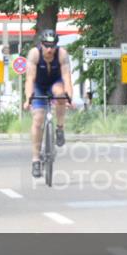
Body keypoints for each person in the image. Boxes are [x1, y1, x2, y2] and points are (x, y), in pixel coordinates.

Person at [23, 29, 75, 178]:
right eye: (46, 46)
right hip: (39, 85)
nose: (50, 49)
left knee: (60, 94)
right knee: (38, 119)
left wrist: (69, 98)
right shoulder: (34, 54)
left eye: (52, 46)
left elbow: (67, 78)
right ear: (41, 45)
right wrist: (28, 99)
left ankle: (59, 127)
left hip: (55, 83)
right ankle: (36, 160)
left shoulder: (62, 54)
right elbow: (30, 80)